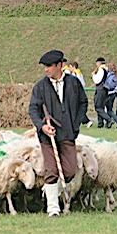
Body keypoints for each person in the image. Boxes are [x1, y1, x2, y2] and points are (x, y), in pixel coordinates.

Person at [28, 50, 88, 217]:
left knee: (70, 171)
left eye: (49, 66)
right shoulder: (40, 87)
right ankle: (53, 208)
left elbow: (83, 102)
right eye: (44, 67)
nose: (46, 69)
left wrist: (76, 123)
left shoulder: (74, 83)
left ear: (60, 65)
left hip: (68, 133)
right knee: (52, 170)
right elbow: (33, 109)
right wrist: (42, 126)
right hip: (48, 137)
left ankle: (49, 191)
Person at [91, 57, 112, 128]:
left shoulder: (101, 70)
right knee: (101, 106)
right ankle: (100, 123)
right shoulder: (107, 69)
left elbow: (97, 80)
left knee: (98, 107)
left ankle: (108, 120)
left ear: (99, 63)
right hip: (105, 90)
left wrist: (93, 75)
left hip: (100, 89)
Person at [104, 63, 117, 128]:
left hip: (109, 93)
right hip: (113, 94)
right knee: (110, 109)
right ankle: (111, 123)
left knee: (109, 110)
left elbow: (108, 85)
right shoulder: (116, 75)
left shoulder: (110, 75)